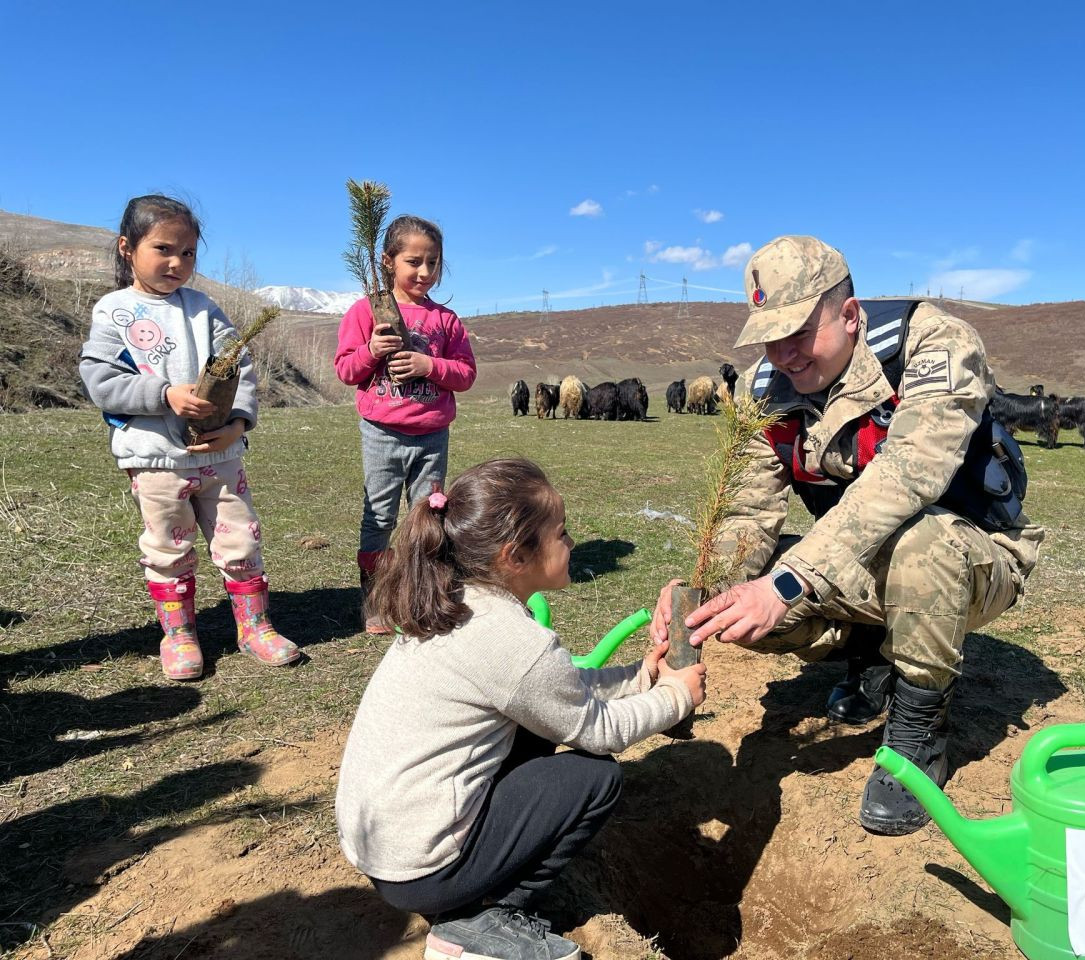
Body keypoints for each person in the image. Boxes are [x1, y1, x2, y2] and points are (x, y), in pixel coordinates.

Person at [652, 235, 1043, 835]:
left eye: (800, 331)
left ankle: (918, 735)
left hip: (971, 557)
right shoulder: (764, 391)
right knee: (739, 600)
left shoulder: (931, 346)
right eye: (769, 336)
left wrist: (787, 581)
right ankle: (875, 656)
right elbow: (747, 516)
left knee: (921, 544)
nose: (784, 354)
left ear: (851, 315)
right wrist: (701, 596)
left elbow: (909, 473)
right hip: (859, 563)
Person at [336, 458, 706, 960]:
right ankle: (480, 924)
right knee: (594, 779)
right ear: (515, 556)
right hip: (422, 869)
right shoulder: (511, 639)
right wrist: (676, 696)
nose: (573, 543)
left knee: (534, 731)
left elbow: (559, 691)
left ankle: (469, 894)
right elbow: (598, 732)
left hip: (388, 848)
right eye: (562, 533)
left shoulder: (462, 602)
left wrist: (644, 677)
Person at [79, 194, 300, 681]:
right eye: (163, 249)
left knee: (241, 539)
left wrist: (238, 423)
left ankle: (255, 627)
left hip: (221, 457)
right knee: (168, 548)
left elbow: (239, 366)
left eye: (189, 253)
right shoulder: (114, 310)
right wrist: (164, 395)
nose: (177, 262)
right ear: (126, 248)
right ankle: (178, 634)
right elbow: (100, 380)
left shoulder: (204, 308)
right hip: (155, 460)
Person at [333, 215, 477, 634]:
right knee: (378, 516)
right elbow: (345, 370)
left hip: (432, 435)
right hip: (382, 434)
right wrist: (372, 350)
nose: (425, 272)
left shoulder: (446, 321)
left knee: (428, 517)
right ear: (388, 261)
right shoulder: (365, 311)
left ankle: (423, 595)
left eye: (433, 262)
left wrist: (427, 364)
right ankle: (375, 597)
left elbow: (465, 374)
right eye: (414, 261)